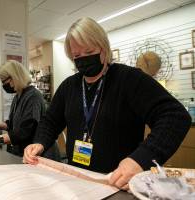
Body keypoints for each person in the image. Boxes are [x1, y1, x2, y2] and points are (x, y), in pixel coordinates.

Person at [23, 17, 191, 190]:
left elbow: (175, 117)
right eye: (77, 56)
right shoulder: (69, 86)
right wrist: (40, 142)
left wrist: (141, 159)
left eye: (89, 52)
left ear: (104, 48)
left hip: (119, 184)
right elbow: (50, 121)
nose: (83, 60)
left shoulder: (130, 79)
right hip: (77, 182)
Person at [0, 60, 59, 160]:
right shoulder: (18, 97)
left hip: (39, 155)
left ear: (14, 77)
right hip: (25, 153)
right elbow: (11, 124)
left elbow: (25, 131)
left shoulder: (33, 97)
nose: (3, 85)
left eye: (4, 81)